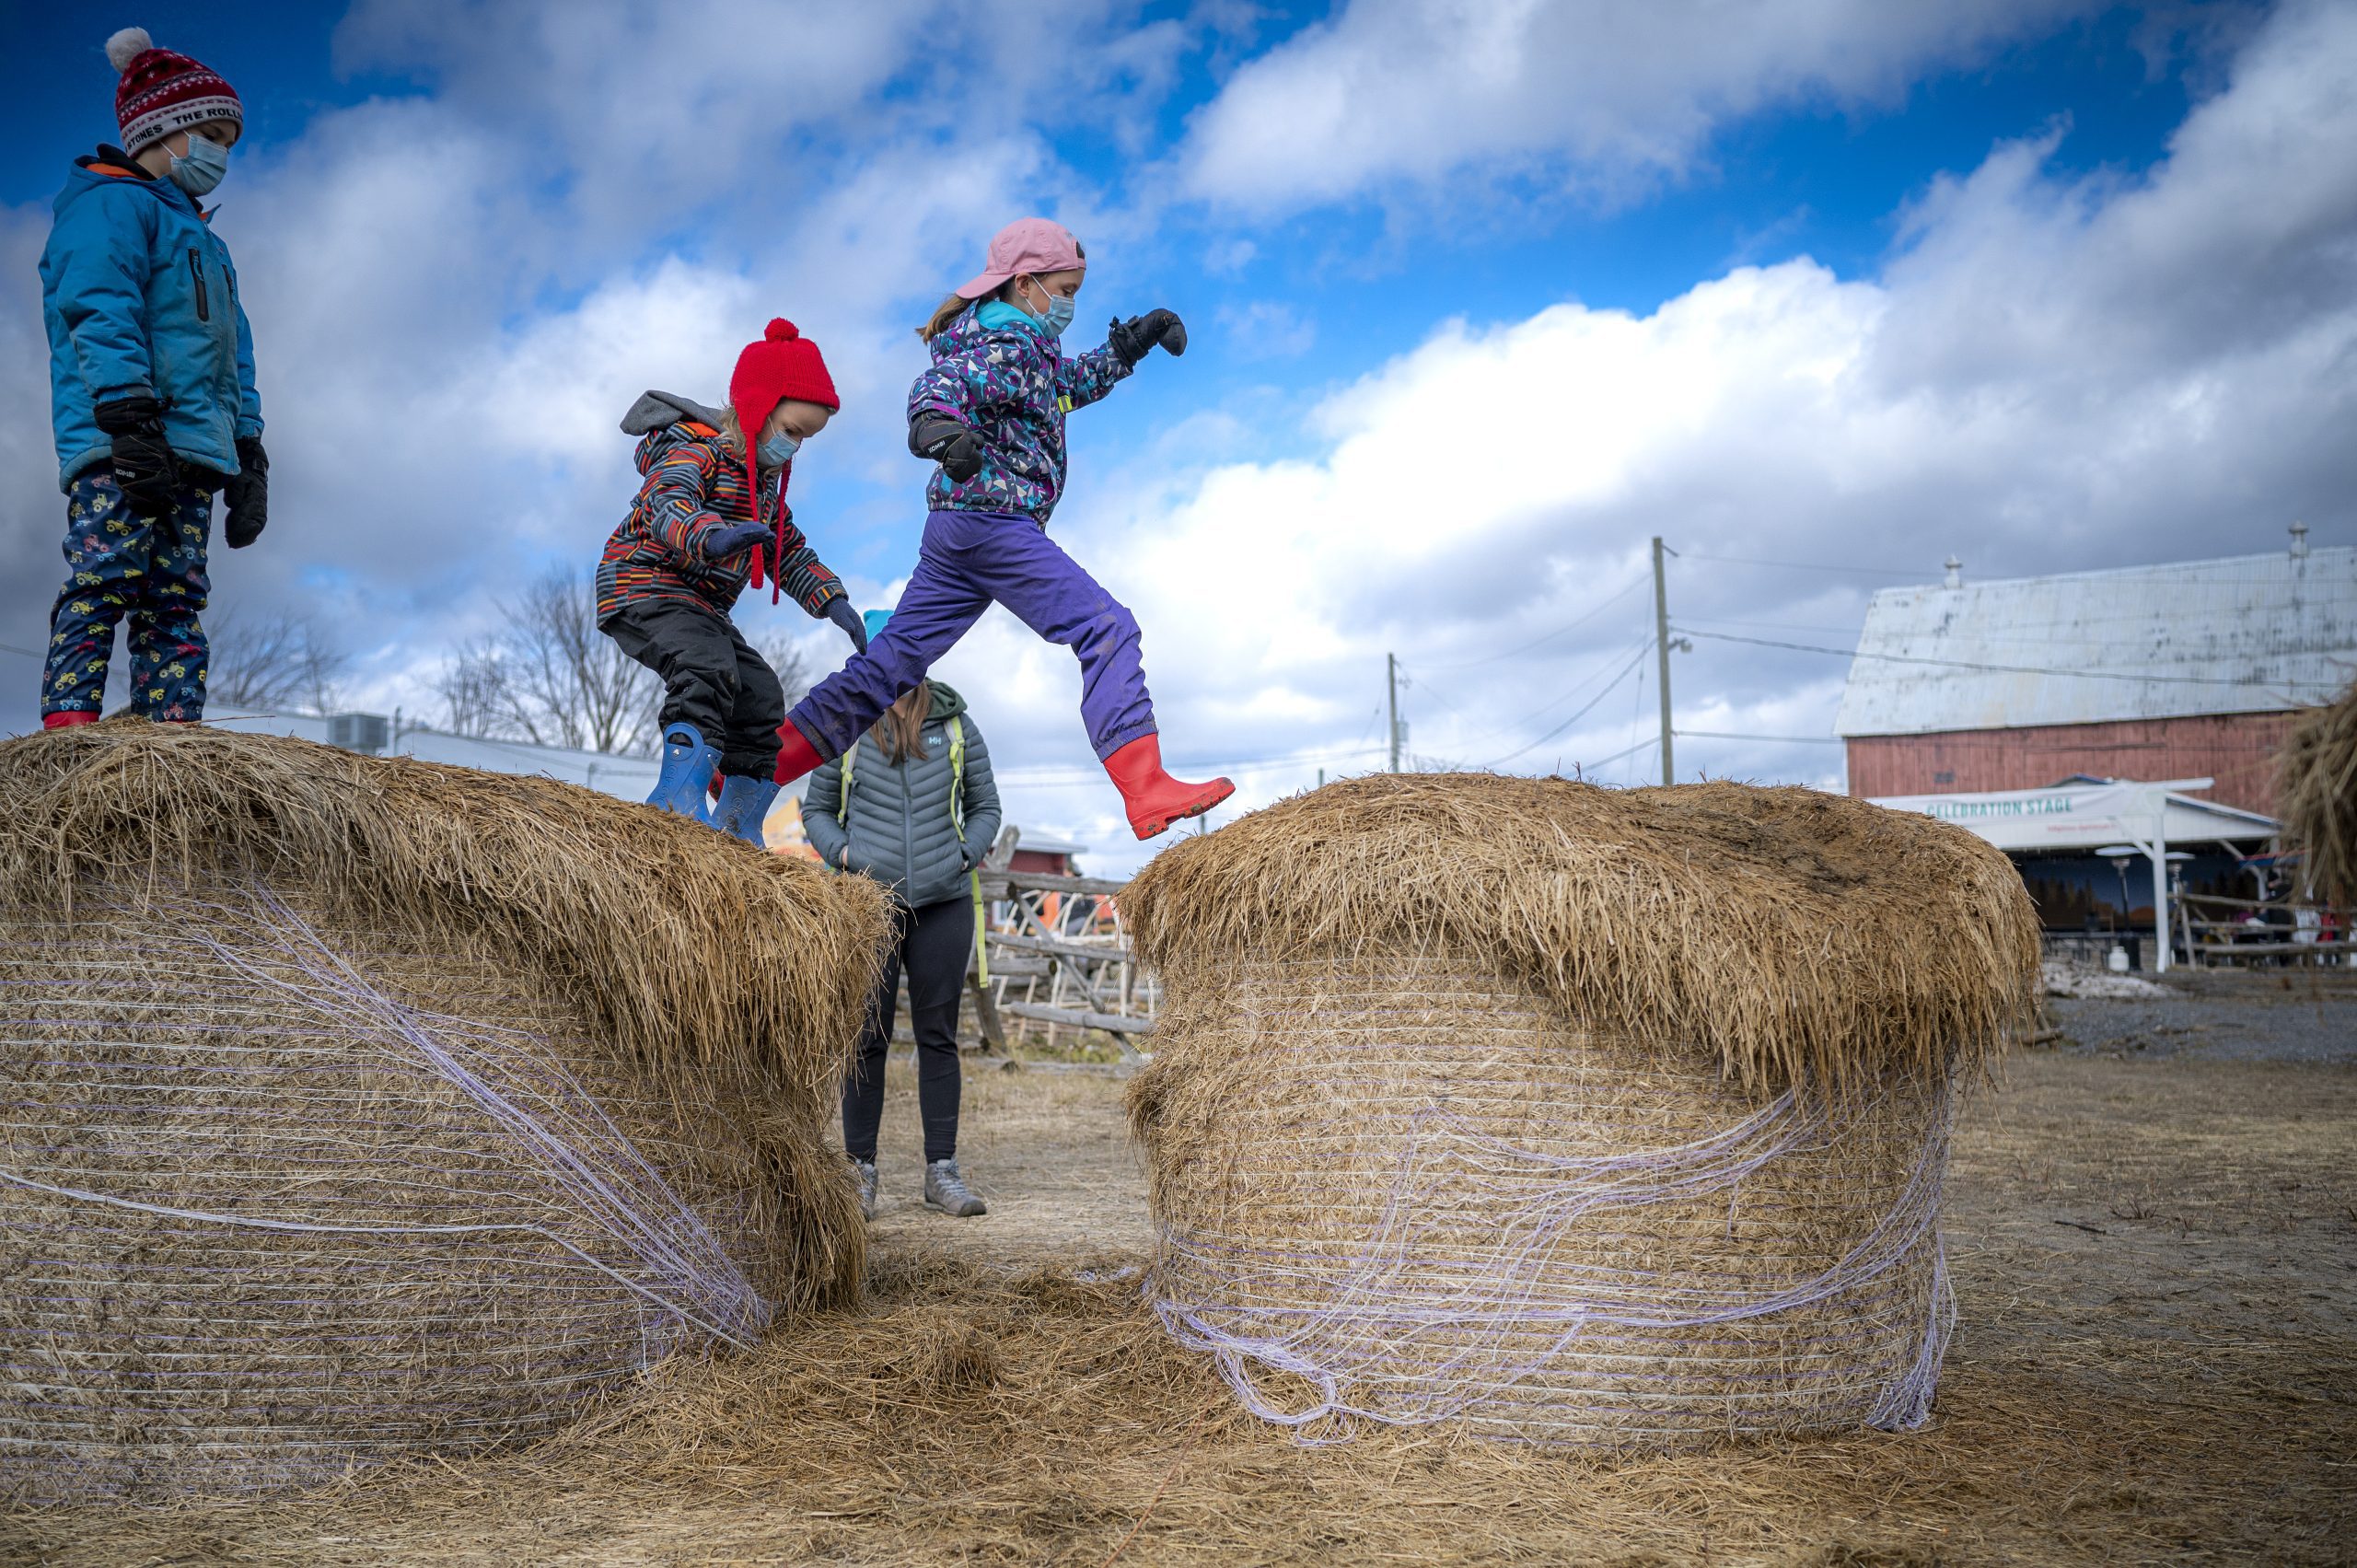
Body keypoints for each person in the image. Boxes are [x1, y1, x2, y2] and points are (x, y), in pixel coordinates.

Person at [772, 217, 1234, 842]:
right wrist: (939, 431)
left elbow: (1065, 387)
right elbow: (936, 389)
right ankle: (1145, 785)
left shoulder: (1021, 348)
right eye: (1065, 290)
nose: (1069, 304)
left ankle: (758, 764)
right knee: (1106, 626)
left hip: (956, 530)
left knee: (887, 668)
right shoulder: (1008, 347)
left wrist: (1130, 347)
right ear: (1025, 284)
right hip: (993, 522)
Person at [38, 28, 265, 728]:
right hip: (123, 443)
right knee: (107, 576)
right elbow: (100, 311)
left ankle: (172, 734)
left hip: (196, 449)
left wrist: (249, 448)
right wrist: (128, 419)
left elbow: (235, 355)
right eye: (212, 136)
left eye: (228, 141)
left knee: (177, 592)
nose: (220, 155)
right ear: (166, 134)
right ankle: (69, 728)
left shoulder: (207, 240)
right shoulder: (109, 208)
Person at [597, 319, 866, 841]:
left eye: (805, 439)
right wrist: (711, 536)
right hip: (643, 583)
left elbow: (787, 550)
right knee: (707, 664)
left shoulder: (762, 487)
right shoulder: (693, 449)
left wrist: (832, 601)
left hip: (701, 604)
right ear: (757, 408)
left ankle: (737, 825)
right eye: (791, 431)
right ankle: (677, 797)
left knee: (762, 694)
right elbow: (666, 504)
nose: (794, 447)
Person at [804, 618, 1002, 1220]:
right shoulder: (846, 728)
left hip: (943, 901)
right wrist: (844, 855)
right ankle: (859, 1172)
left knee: (939, 1036)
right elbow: (816, 809)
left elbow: (986, 805)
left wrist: (966, 852)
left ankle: (941, 1172)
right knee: (867, 1038)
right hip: (870, 903)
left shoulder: (957, 725)